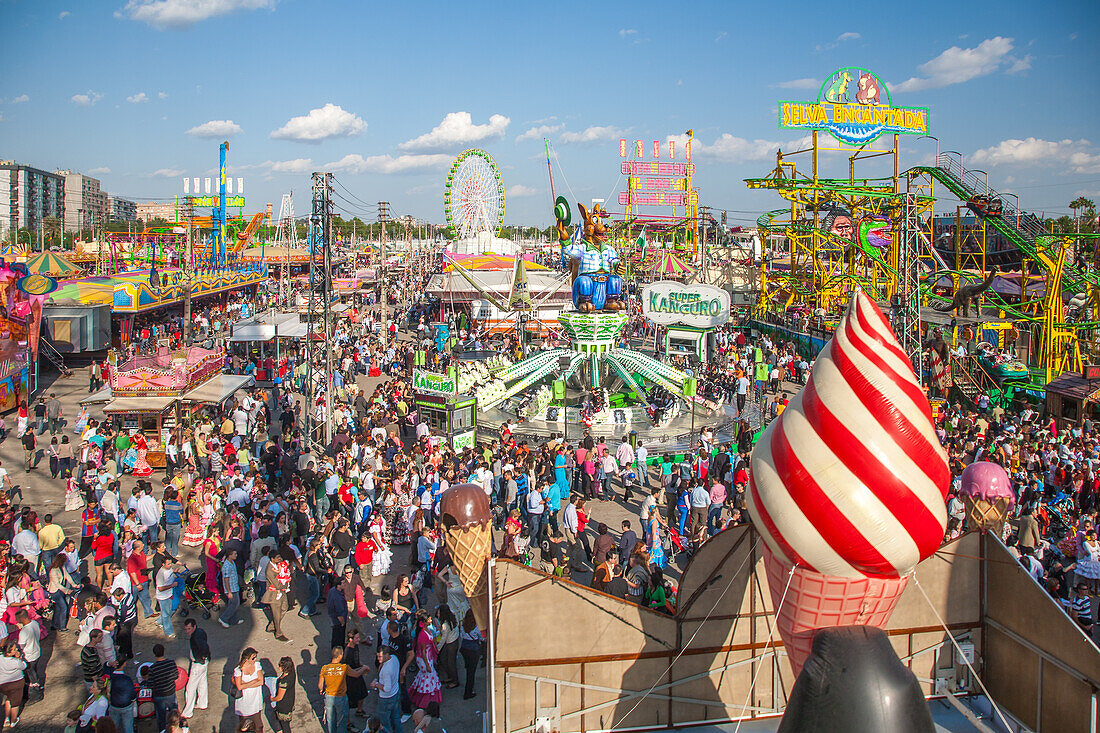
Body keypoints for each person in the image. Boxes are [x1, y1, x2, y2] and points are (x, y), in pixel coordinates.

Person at [318, 645, 369, 733]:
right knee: (341, 721)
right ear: (340, 655)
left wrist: (321, 690)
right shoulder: (344, 667)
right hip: (341, 697)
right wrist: (364, 668)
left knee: (331, 721)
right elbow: (356, 674)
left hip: (329, 697)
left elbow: (320, 685)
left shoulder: (324, 668)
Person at [409, 609, 442, 710]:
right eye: (429, 619)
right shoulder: (422, 635)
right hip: (425, 659)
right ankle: (426, 701)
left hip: (428, 657)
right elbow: (422, 652)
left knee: (427, 676)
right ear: (423, 622)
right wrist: (427, 664)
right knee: (428, 677)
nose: (431, 619)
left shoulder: (426, 630)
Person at [181, 619, 210, 721]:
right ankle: (202, 703)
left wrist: (202, 657)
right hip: (204, 662)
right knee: (202, 682)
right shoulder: (200, 632)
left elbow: (204, 647)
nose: (187, 631)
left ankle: (188, 712)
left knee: (190, 688)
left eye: (189, 629)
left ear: (194, 627)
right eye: (186, 629)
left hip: (198, 664)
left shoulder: (195, 637)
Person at [232, 647, 264, 733]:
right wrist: (253, 681)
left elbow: (261, 682)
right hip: (244, 701)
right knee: (244, 726)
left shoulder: (257, 665)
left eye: (255, 657)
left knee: (259, 725)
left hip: (256, 698)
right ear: (246, 659)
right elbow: (239, 687)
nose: (255, 659)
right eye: (253, 658)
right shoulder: (239, 670)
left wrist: (246, 684)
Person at [370, 645, 401, 733]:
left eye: (380, 656)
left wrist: (376, 684)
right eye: (377, 656)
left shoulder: (386, 670)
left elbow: (387, 688)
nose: (378, 658)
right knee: (395, 717)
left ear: (386, 655)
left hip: (386, 698)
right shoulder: (394, 658)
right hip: (395, 693)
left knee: (384, 722)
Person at [148, 643, 179, 731]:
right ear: (164, 652)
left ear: (154, 654)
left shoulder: (152, 668)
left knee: (161, 716)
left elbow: (150, 684)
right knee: (174, 713)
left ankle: (163, 730)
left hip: (158, 695)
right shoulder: (171, 663)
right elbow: (176, 676)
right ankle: (176, 728)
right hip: (170, 693)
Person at [459, 609, 482, 700]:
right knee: (471, 672)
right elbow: (482, 638)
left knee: (468, 668)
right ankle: (468, 692)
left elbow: (461, 636)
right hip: (473, 650)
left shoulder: (463, 625)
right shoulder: (477, 627)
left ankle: (468, 690)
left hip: (464, 649)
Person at [107, 667, 138, 733]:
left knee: (112, 726)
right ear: (124, 664)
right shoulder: (126, 679)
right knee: (128, 727)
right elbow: (132, 694)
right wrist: (133, 699)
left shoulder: (110, 677)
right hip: (126, 706)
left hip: (114, 705)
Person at [218, 547, 243, 628]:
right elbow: (226, 580)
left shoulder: (232, 562)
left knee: (233, 604)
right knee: (234, 604)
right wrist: (229, 592)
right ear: (229, 555)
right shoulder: (227, 566)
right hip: (231, 588)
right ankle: (223, 618)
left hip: (234, 586)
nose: (236, 555)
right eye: (234, 554)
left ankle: (233, 620)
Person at [273, 656, 296, 733]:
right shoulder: (292, 674)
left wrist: (272, 699)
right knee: (284, 724)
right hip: (289, 703)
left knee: (285, 725)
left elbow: (279, 697)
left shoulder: (284, 681)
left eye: (280, 665)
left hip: (283, 706)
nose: (277, 666)